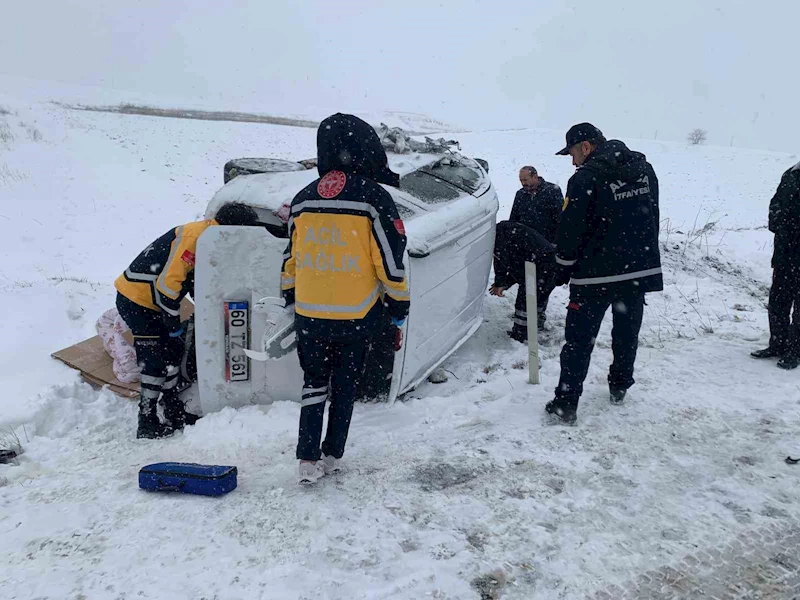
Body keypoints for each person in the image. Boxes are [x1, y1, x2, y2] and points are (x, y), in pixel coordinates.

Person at [281, 113, 410, 484]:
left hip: (309, 313)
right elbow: (389, 262)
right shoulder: (373, 198)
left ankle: (306, 458)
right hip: (355, 316)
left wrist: (291, 298)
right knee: (346, 385)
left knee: (313, 382)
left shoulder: (303, 198)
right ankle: (332, 455)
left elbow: (291, 256)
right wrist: (399, 306)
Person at [546, 123, 662, 425]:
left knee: (578, 341)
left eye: (572, 153)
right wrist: (642, 257)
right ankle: (620, 385)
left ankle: (566, 402)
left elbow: (570, 229)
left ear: (586, 146)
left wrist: (563, 265)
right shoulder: (644, 170)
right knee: (627, 334)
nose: (573, 161)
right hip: (636, 272)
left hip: (593, 277)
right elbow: (653, 215)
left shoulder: (584, 178)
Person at [115, 203, 260, 439]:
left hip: (151, 300)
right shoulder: (196, 237)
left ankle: (173, 410)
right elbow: (168, 284)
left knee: (173, 351)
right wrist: (172, 319)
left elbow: (193, 278)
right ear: (231, 229)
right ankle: (147, 420)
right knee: (154, 359)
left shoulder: (210, 237)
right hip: (137, 300)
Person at [490, 166, 563, 340]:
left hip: (545, 246)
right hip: (523, 244)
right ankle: (526, 319)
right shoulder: (520, 195)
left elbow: (560, 219)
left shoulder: (552, 191)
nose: (523, 184)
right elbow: (514, 217)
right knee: (527, 281)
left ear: (535, 176)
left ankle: (535, 318)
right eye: (521, 181)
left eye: (526, 180)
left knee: (539, 284)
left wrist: (555, 243)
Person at [751, 161, 800, 369]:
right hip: (784, 252)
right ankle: (778, 344)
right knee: (778, 301)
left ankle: (795, 351)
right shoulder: (790, 173)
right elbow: (775, 205)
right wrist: (781, 223)